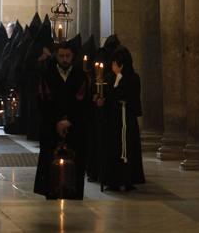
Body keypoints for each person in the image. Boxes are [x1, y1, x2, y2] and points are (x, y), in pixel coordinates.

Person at [34, 40, 89, 200]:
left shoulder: (80, 75)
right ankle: (51, 192)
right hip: (51, 126)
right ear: (56, 56)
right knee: (50, 161)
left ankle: (74, 192)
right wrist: (56, 122)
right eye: (61, 56)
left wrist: (69, 120)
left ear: (73, 56)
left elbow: (83, 102)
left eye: (68, 56)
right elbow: (43, 101)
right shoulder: (47, 74)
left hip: (74, 126)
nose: (65, 59)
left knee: (76, 161)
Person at [96, 46, 145, 192]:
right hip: (113, 120)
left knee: (128, 148)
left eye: (115, 64)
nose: (112, 66)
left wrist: (119, 80)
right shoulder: (109, 78)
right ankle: (113, 180)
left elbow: (129, 95)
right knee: (113, 148)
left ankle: (129, 179)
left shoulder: (133, 78)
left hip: (126, 119)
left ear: (121, 64)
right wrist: (100, 100)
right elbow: (107, 95)